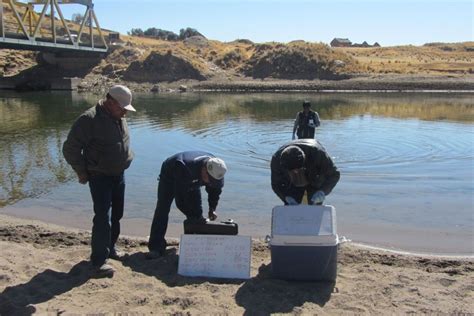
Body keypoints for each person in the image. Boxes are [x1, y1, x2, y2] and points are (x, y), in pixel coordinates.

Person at [62, 85, 136, 277]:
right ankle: (98, 261)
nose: (125, 112)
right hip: (100, 176)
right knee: (103, 217)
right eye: (122, 108)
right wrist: (82, 172)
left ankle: (110, 248)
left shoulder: (118, 116)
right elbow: (70, 149)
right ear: (110, 102)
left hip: (118, 174)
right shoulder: (89, 119)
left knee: (117, 214)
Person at [147, 151, 227, 259]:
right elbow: (181, 201)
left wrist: (212, 208)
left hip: (193, 177)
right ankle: (156, 246)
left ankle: (194, 242)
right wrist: (191, 217)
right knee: (163, 208)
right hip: (170, 174)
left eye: (214, 181)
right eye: (210, 180)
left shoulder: (216, 168)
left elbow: (215, 190)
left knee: (197, 212)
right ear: (204, 170)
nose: (210, 183)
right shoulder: (184, 167)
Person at [271, 139, 340, 206]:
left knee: (315, 201)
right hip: (291, 184)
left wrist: (323, 191)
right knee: (292, 203)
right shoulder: (276, 161)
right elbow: (276, 184)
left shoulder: (318, 154)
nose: (296, 173)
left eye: (298, 170)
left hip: (313, 176)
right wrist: (285, 197)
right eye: (293, 172)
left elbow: (334, 174)